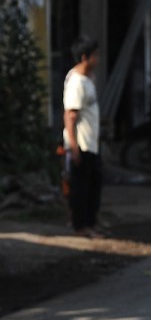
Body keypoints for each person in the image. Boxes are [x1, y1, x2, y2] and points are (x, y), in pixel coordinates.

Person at [62, 35, 103, 237]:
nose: (99, 59)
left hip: (91, 142)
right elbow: (70, 116)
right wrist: (73, 147)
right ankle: (81, 226)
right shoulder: (76, 82)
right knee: (81, 188)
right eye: (95, 55)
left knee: (93, 185)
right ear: (84, 57)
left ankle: (90, 222)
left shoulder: (87, 78)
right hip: (82, 143)